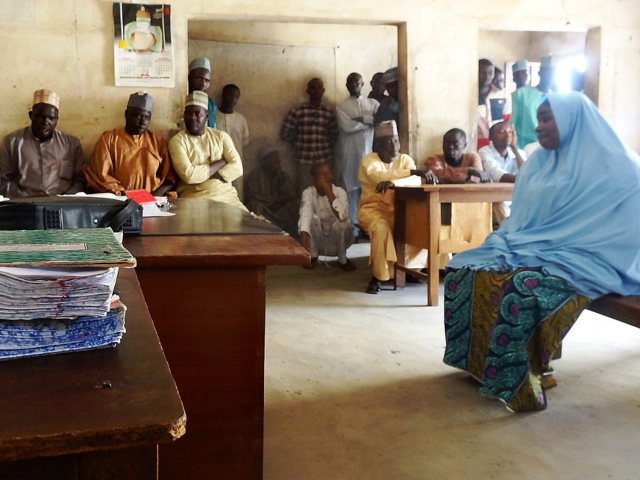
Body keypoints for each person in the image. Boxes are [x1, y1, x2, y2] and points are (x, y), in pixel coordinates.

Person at [442, 92, 640, 412]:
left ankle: (524, 376)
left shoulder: (620, 167)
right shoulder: (539, 162)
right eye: (538, 119)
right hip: (535, 247)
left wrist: (571, 246)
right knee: (465, 269)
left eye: (547, 119)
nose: (539, 127)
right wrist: (526, 242)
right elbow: (522, 220)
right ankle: (480, 364)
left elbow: (628, 231)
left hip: (595, 257)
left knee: (521, 289)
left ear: (573, 120)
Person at [357, 120, 437, 294]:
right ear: (377, 145)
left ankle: (408, 269)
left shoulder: (405, 159)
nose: (393, 145)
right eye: (388, 142)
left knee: (420, 226)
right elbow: (377, 176)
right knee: (381, 229)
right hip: (374, 210)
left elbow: (414, 181)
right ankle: (379, 276)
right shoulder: (368, 160)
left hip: (402, 210)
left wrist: (395, 181)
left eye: (396, 140)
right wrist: (411, 173)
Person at [83, 92, 175, 196]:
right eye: (137, 116)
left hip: (153, 199)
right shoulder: (109, 139)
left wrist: (154, 196)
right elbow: (101, 175)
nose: (142, 121)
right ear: (126, 114)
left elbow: (169, 175)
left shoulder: (158, 142)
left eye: (146, 117)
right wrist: (124, 195)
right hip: (120, 200)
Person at [169, 91, 246, 210]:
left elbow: (238, 168)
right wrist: (221, 163)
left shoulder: (221, 136)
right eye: (188, 114)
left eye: (197, 114)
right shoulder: (177, 141)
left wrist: (202, 173)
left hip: (228, 198)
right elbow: (189, 176)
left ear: (207, 116)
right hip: (195, 198)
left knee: (250, 225)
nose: (193, 118)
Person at [0, 89, 85, 197]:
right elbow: (4, 180)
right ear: (31, 115)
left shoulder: (72, 143)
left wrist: (66, 199)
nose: (45, 122)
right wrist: (24, 199)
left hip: (63, 205)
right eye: (40, 116)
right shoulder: (12, 142)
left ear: (57, 119)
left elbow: (80, 181)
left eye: (51, 118)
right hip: (25, 204)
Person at [336, 72, 379, 235]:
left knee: (368, 189)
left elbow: (378, 120)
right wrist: (368, 122)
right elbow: (346, 126)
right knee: (350, 190)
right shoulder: (341, 106)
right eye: (350, 82)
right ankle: (352, 230)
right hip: (350, 151)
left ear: (362, 84)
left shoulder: (373, 103)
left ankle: (368, 228)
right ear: (347, 85)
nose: (354, 85)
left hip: (368, 150)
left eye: (357, 82)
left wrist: (360, 119)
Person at [281, 78, 339, 194]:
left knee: (325, 192)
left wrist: (324, 146)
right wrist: (299, 143)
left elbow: (335, 135)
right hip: (304, 160)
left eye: (319, 88)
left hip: (324, 159)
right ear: (308, 91)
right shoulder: (298, 112)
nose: (316, 90)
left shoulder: (328, 113)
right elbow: (285, 133)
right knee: (306, 192)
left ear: (323, 91)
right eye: (313, 87)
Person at [299, 162, 355, 271]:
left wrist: (328, 190)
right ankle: (313, 256)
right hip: (318, 239)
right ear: (314, 178)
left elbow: (342, 215)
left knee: (344, 223)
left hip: (337, 238)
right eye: (323, 175)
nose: (327, 176)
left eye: (328, 173)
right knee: (311, 219)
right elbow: (306, 213)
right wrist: (303, 234)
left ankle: (342, 258)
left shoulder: (340, 192)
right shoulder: (308, 192)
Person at [245, 144, 299, 236]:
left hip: (280, 211)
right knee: (254, 206)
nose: (275, 162)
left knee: (298, 204)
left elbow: (291, 193)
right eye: (271, 159)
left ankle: (284, 229)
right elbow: (253, 197)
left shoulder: (283, 175)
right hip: (265, 211)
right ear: (264, 161)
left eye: (276, 159)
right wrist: (275, 200)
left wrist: (280, 178)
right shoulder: (255, 176)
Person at [478, 122, 527, 223]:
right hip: (495, 198)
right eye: (502, 132)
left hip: (517, 198)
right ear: (491, 137)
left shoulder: (519, 153)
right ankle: (511, 232)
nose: (507, 134)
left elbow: (526, 171)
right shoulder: (484, 152)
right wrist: (524, 178)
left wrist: (514, 148)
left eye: (510, 131)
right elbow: (497, 174)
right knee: (500, 204)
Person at [511, 56, 556, 149]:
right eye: (548, 73)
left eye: (554, 74)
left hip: (548, 146)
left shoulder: (557, 98)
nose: (551, 77)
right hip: (523, 146)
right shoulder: (521, 93)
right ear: (540, 73)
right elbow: (512, 123)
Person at [216, 84, 250, 201]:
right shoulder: (214, 116)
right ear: (223, 95)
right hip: (217, 163)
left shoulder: (240, 119)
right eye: (229, 95)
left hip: (236, 162)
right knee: (219, 193)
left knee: (237, 193)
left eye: (236, 97)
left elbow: (245, 141)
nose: (232, 99)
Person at [423, 128, 491, 184]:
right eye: (446, 143)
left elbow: (478, 178)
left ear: (465, 145)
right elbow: (436, 176)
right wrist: (469, 171)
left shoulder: (472, 158)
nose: (450, 147)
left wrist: (448, 177)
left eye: (456, 143)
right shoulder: (434, 159)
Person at [477, 59, 511, 149]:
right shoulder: (470, 96)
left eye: (490, 73)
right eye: (482, 72)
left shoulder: (503, 94)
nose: (487, 76)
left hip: (497, 145)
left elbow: (506, 119)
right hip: (476, 144)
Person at [188, 57, 217, 128]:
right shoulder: (182, 98)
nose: (203, 84)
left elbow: (212, 128)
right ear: (189, 78)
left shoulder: (210, 104)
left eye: (207, 80)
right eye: (199, 78)